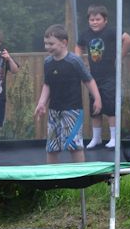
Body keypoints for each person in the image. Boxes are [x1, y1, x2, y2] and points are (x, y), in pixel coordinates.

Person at [35, 24, 101, 164]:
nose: (47, 47)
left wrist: (97, 98)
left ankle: (80, 178)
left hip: (73, 110)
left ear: (64, 43)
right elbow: (47, 85)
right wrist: (41, 102)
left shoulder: (74, 61)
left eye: (51, 43)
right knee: (52, 147)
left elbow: (88, 80)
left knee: (74, 145)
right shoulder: (48, 62)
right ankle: (52, 178)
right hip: (54, 110)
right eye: (46, 43)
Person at [75, 5, 130, 149]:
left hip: (110, 75)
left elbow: (128, 39)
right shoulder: (86, 34)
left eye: (98, 19)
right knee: (95, 107)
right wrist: (79, 61)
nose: (94, 22)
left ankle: (113, 138)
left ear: (105, 20)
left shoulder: (111, 32)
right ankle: (96, 138)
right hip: (93, 77)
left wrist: (120, 57)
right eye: (91, 19)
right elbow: (78, 46)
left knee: (110, 105)